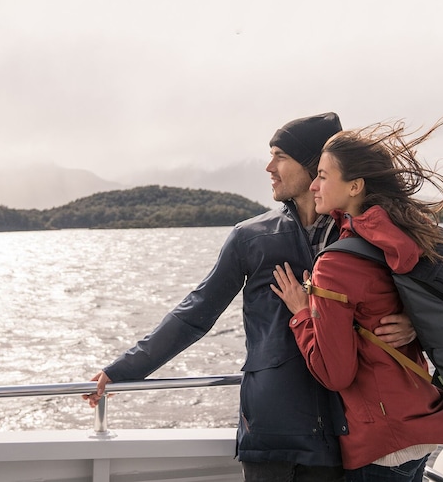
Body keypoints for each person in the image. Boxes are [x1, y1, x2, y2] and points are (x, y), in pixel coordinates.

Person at [83, 112, 417, 482]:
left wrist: (415, 324)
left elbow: (428, 298)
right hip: (270, 431)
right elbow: (195, 313)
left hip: (345, 432)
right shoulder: (251, 237)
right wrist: (124, 370)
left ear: (312, 166)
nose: (269, 167)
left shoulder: (364, 235)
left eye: (280, 156)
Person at [271, 120, 443, 482]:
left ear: (355, 186)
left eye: (323, 176)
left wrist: (301, 314)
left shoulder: (337, 263)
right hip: (421, 419)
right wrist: (413, 325)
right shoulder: (400, 234)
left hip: (384, 440)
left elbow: (335, 374)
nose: (313, 185)